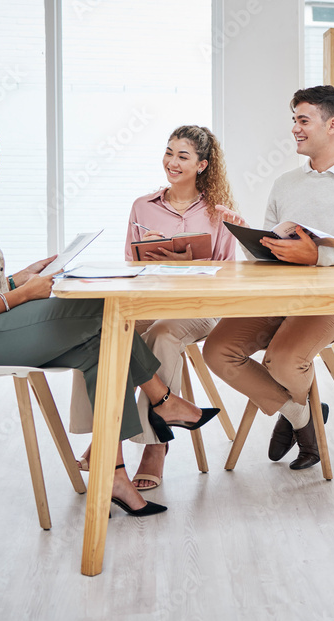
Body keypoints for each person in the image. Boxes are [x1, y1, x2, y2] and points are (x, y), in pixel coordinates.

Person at [0, 90, 218, 517]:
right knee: (105, 312)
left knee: (99, 348)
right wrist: (23, 294)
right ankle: (163, 400)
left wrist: (20, 277)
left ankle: (114, 473)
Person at [203, 85, 334, 470]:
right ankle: (301, 416)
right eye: (294, 120)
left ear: (332, 125)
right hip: (279, 300)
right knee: (217, 350)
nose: (295, 128)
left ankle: (299, 421)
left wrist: (321, 256)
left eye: (303, 120)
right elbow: (271, 254)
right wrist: (247, 237)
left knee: (285, 359)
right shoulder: (285, 185)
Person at [70, 125, 242, 490]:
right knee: (100, 334)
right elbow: (128, 269)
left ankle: (155, 446)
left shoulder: (220, 214)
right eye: (169, 152)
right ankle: (107, 438)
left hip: (200, 308)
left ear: (202, 165)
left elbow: (229, 277)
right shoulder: (141, 207)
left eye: (183, 156)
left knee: (164, 332)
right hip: (150, 301)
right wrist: (147, 255)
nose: (172, 162)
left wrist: (193, 260)